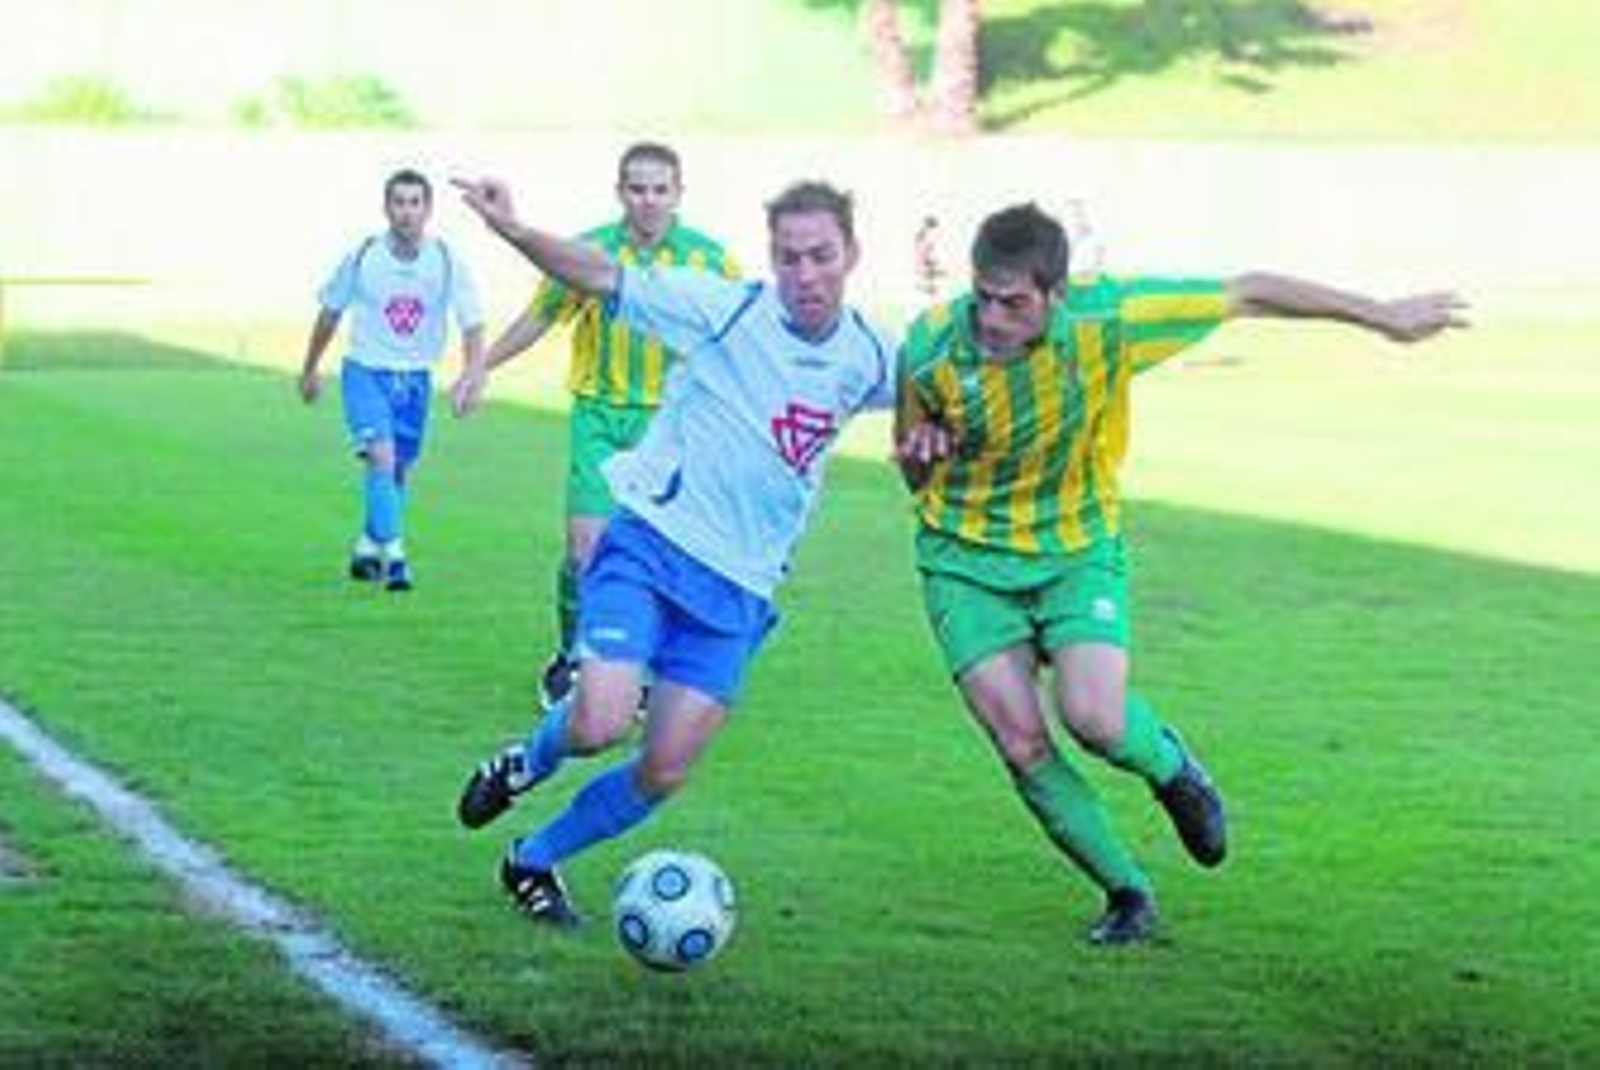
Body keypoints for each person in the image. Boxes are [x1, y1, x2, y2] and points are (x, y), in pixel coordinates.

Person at [894, 202, 1467, 946]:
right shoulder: (930, 345)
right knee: (1021, 743)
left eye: (1016, 303)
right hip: (963, 560)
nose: (995, 319)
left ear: (1056, 295)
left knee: (1095, 718)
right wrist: (923, 450)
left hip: (1075, 549)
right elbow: (912, 468)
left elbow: (1248, 289)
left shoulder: (1112, 322)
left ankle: (1175, 771)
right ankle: (1127, 892)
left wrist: (1381, 315)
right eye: (985, 298)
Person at [450, 173, 898, 925]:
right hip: (652, 548)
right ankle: (526, 762)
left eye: (821, 255)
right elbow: (601, 275)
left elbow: (953, 386)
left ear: (851, 253)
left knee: (662, 770)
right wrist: (515, 229)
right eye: (789, 257)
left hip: (740, 592)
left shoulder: (878, 355)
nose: (805, 274)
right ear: (772, 258)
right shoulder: (726, 311)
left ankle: (531, 859)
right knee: (598, 721)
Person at [451, 143, 739, 706]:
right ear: (620, 192)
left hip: (670, 426)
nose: (649, 200)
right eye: (637, 188)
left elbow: (736, 341)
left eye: (660, 189)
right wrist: (480, 366)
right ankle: (575, 657)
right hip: (599, 417)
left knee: (665, 553)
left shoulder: (711, 262)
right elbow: (541, 316)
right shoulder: (588, 252)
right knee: (586, 550)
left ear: (678, 194)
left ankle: (639, 666)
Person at [299, 168, 485, 591]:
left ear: (428, 209)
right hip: (366, 371)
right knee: (380, 456)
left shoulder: (446, 260)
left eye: (414, 202)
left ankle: (367, 546)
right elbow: (330, 311)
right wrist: (310, 367)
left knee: (398, 469)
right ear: (386, 208)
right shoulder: (364, 256)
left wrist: (473, 373)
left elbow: (472, 322)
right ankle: (396, 555)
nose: (406, 212)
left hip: (416, 378)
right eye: (398, 202)